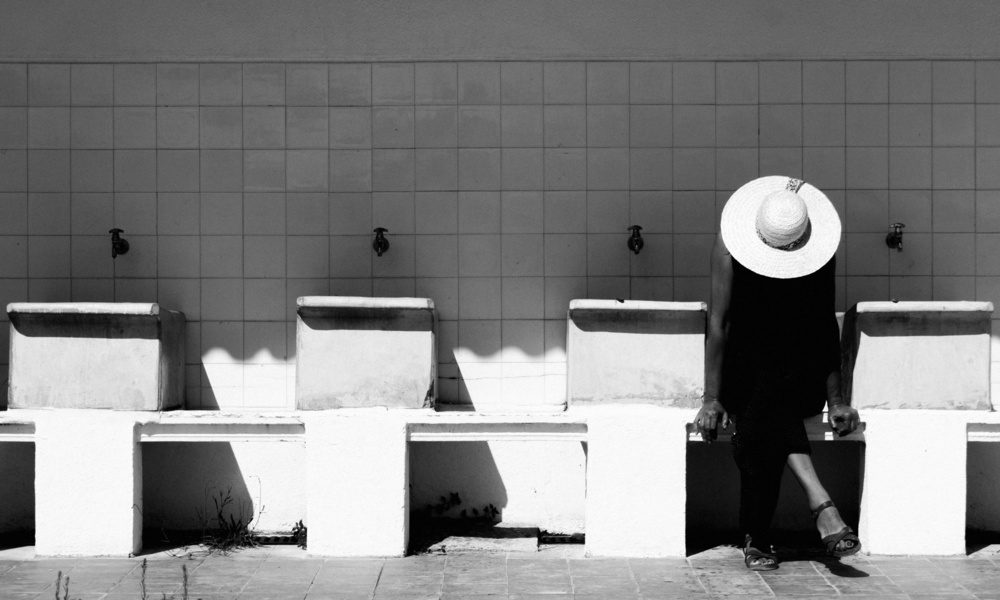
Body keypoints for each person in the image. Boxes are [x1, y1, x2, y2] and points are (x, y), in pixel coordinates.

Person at [694, 176, 862, 571]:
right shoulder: (729, 246)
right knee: (764, 401)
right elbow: (719, 323)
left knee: (764, 409)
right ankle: (821, 505)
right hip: (745, 370)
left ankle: (757, 537)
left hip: (797, 373)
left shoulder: (818, 247)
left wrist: (837, 400)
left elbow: (823, 324)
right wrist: (712, 398)